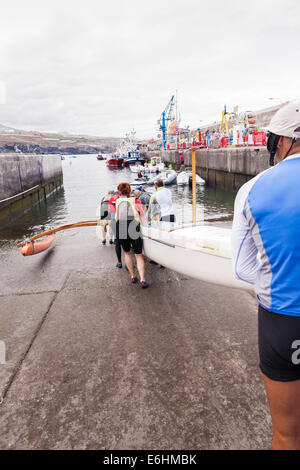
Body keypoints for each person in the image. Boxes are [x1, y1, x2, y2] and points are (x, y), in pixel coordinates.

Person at [232, 101, 300, 450]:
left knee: (288, 435)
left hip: (283, 320)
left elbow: (242, 267)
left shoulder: (253, 189)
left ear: (282, 141)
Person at [115, 182, 149, 288]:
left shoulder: (116, 201)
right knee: (138, 255)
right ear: (130, 191)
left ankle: (133, 276)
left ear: (119, 191)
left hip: (120, 227)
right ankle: (143, 280)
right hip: (133, 226)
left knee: (127, 253)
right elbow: (142, 217)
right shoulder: (135, 201)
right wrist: (147, 229)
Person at [109, 187, 123, 268]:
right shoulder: (126, 198)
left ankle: (119, 262)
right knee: (126, 242)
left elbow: (111, 210)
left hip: (115, 220)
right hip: (124, 221)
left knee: (117, 241)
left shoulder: (112, 199)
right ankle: (128, 262)